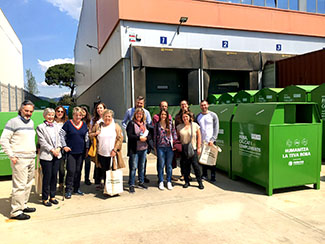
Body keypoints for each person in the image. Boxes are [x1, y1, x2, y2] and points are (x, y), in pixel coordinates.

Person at [0, 100, 37, 220]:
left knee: (27, 184)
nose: (28, 113)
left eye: (31, 111)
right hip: (19, 159)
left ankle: (23, 205)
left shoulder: (31, 122)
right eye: (26, 111)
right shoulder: (13, 122)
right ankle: (16, 211)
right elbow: (4, 140)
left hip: (31, 157)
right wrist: (11, 155)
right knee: (19, 185)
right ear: (21, 109)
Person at [91, 109, 125, 192]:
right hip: (101, 152)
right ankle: (106, 188)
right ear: (102, 117)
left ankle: (111, 188)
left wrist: (115, 149)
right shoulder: (98, 125)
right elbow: (90, 135)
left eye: (109, 116)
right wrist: (95, 134)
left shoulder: (115, 126)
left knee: (111, 171)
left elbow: (120, 138)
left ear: (112, 117)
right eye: (105, 116)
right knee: (103, 171)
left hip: (112, 154)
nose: (107, 118)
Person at [60, 107, 89, 199]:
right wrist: (64, 146)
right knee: (71, 171)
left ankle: (76, 188)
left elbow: (86, 138)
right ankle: (68, 189)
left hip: (81, 151)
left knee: (78, 171)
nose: (78, 117)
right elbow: (61, 135)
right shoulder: (68, 124)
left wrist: (87, 148)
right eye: (76, 115)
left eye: (80, 115)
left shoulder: (84, 125)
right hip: (71, 152)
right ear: (73, 115)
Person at [122, 96, 152, 183]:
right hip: (134, 144)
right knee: (133, 165)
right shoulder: (129, 111)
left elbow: (149, 126)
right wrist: (128, 129)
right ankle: (132, 181)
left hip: (143, 145)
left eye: (141, 103)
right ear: (135, 102)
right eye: (138, 103)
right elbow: (124, 122)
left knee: (142, 164)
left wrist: (146, 138)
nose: (139, 104)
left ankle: (142, 178)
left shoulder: (146, 112)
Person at [36, 108, 62, 207]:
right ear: (44, 116)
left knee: (54, 176)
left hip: (57, 155)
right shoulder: (40, 127)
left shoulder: (57, 126)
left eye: (52, 115)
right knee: (47, 177)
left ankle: (53, 196)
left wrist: (59, 148)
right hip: (46, 155)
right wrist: (52, 150)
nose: (50, 117)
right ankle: (45, 198)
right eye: (48, 115)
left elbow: (60, 138)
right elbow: (42, 142)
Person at [126, 108, 153, 193]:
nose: (139, 115)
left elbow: (150, 135)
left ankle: (141, 182)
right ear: (135, 115)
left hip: (143, 149)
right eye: (137, 114)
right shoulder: (131, 124)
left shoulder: (145, 124)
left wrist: (146, 138)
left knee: (141, 167)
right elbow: (129, 136)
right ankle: (131, 184)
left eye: (140, 114)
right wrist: (139, 138)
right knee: (133, 167)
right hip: (135, 149)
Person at [177, 111, 204, 190]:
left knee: (196, 166)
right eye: (183, 117)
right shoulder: (179, 127)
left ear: (190, 117)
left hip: (193, 149)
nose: (185, 118)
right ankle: (186, 181)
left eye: (186, 117)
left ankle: (199, 182)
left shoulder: (195, 125)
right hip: (184, 149)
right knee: (185, 166)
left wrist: (199, 147)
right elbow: (177, 138)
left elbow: (199, 136)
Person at [152, 101, 178, 182]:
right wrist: (154, 145)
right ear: (160, 107)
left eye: (165, 106)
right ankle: (160, 178)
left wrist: (174, 143)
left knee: (169, 163)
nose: (164, 107)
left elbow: (173, 132)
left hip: (169, 145)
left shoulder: (170, 118)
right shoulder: (155, 118)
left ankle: (169, 177)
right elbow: (154, 132)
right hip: (160, 145)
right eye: (162, 106)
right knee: (160, 163)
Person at [196, 100, 219, 182]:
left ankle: (213, 176)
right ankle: (204, 174)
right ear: (200, 106)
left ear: (208, 105)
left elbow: (216, 128)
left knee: (212, 159)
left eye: (205, 105)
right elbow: (197, 129)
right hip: (202, 142)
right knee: (203, 159)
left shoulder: (213, 115)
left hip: (211, 141)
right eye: (202, 105)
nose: (203, 107)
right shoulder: (198, 116)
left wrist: (213, 139)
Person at [174, 100, 193, 181]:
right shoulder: (177, 116)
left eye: (185, 104)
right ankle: (183, 174)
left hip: (190, 139)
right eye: (182, 104)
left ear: (188, 105)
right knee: (182, 159)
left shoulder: (192, 114)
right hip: (181, 139)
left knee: (189, 158)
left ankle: (188, 174)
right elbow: (175, 128)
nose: (183, 106)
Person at [89, 102, 107, 188]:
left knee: (106, 165)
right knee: (98, 164)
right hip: (97, 145)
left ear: (104, 109)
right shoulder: (94, 120)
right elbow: (90, 133)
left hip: (107, 145)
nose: (99, 110)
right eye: (98, 108)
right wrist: (95, 133)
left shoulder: (108, 118)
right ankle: (98, 181)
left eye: (101, 108)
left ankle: (106, 182)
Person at [54, 106, 68, 191]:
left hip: (62, 148)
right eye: (58, 111)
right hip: (53, 147)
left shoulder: (66, 122)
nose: (59, 113)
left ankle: (61, 183)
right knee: (54, 168)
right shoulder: (51, 121)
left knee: (62, 169)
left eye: (62, 112)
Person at [80, 106, 92, 185]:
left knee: (87, 163)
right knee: (79, 164)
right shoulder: (76, 121)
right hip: (79, 145)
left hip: (88, 144)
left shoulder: (89, 122)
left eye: (84, 112)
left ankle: (87, 178)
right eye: (81, 112)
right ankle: (77, 178)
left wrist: (87, 147)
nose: (82, 113)